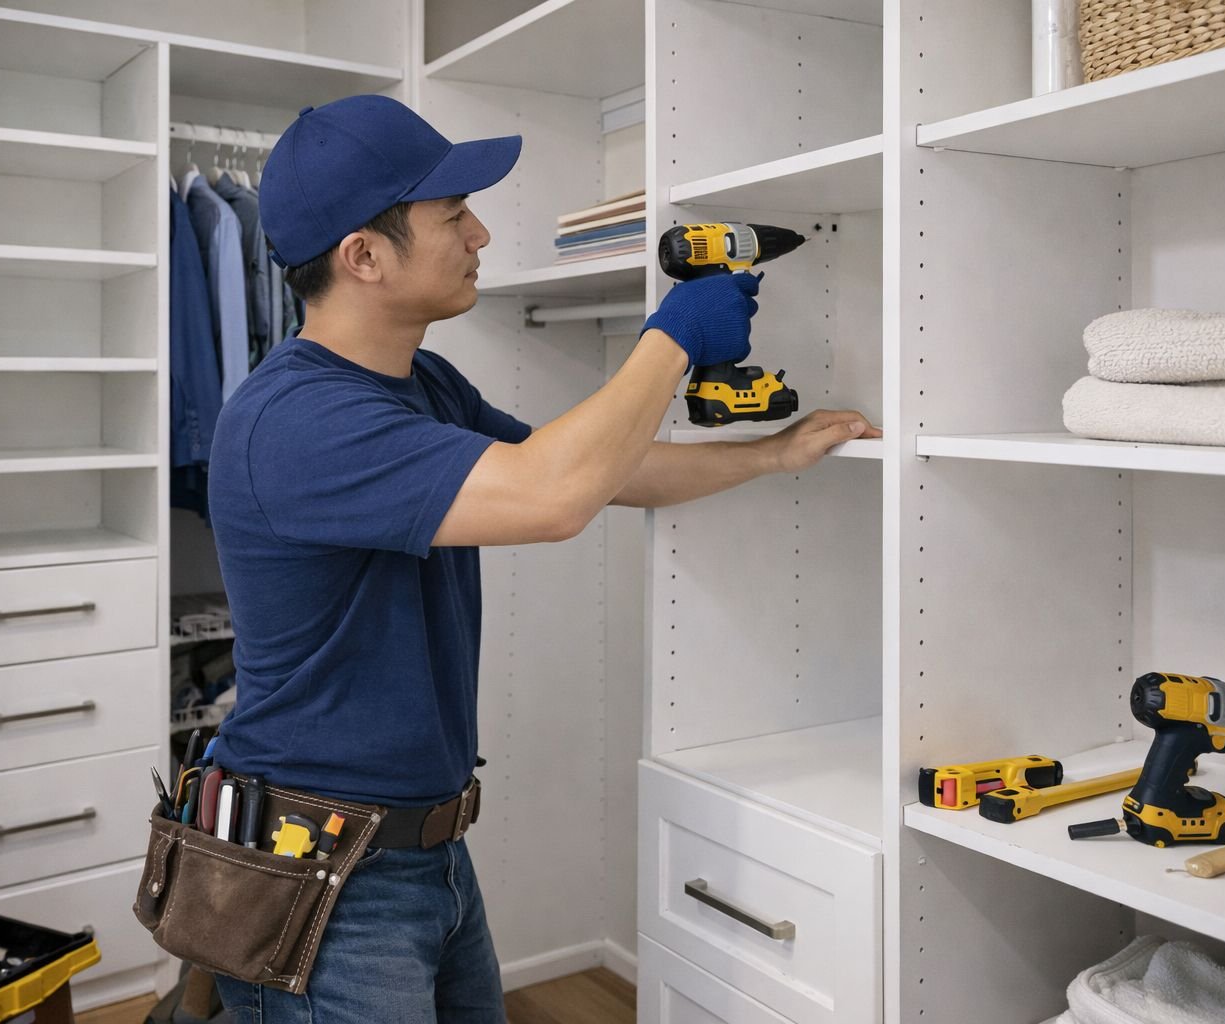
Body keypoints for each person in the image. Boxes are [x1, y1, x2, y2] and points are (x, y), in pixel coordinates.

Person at [204, 94, 880, 1024]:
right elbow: (554, 499)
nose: (480, 232)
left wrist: (772, 452)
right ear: (364, 255)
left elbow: (594, 471)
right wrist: (676, 329)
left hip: (423, 851)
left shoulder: (423, 384)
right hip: (324, 876)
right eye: (452, 217)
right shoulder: (293, 422)